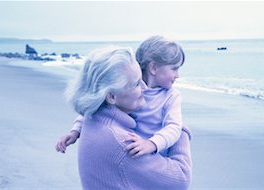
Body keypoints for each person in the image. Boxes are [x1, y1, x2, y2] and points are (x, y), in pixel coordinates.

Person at [59, 46, 191, 189]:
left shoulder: (93, 119)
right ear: (111, 96)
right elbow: (180, 180)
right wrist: (180, 130)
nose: (144, 88)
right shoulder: (122, 142)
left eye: (142, 79)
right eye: (136, 84)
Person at [56, 36, 186, 158]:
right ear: (153, 68)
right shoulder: (128, 88)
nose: (177, 75)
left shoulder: (171, 97)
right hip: (127, 150)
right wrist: (75, 131)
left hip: (156, 155)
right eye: (174, 69)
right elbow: (96, 106)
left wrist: (151, 144)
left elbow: (174, 128)